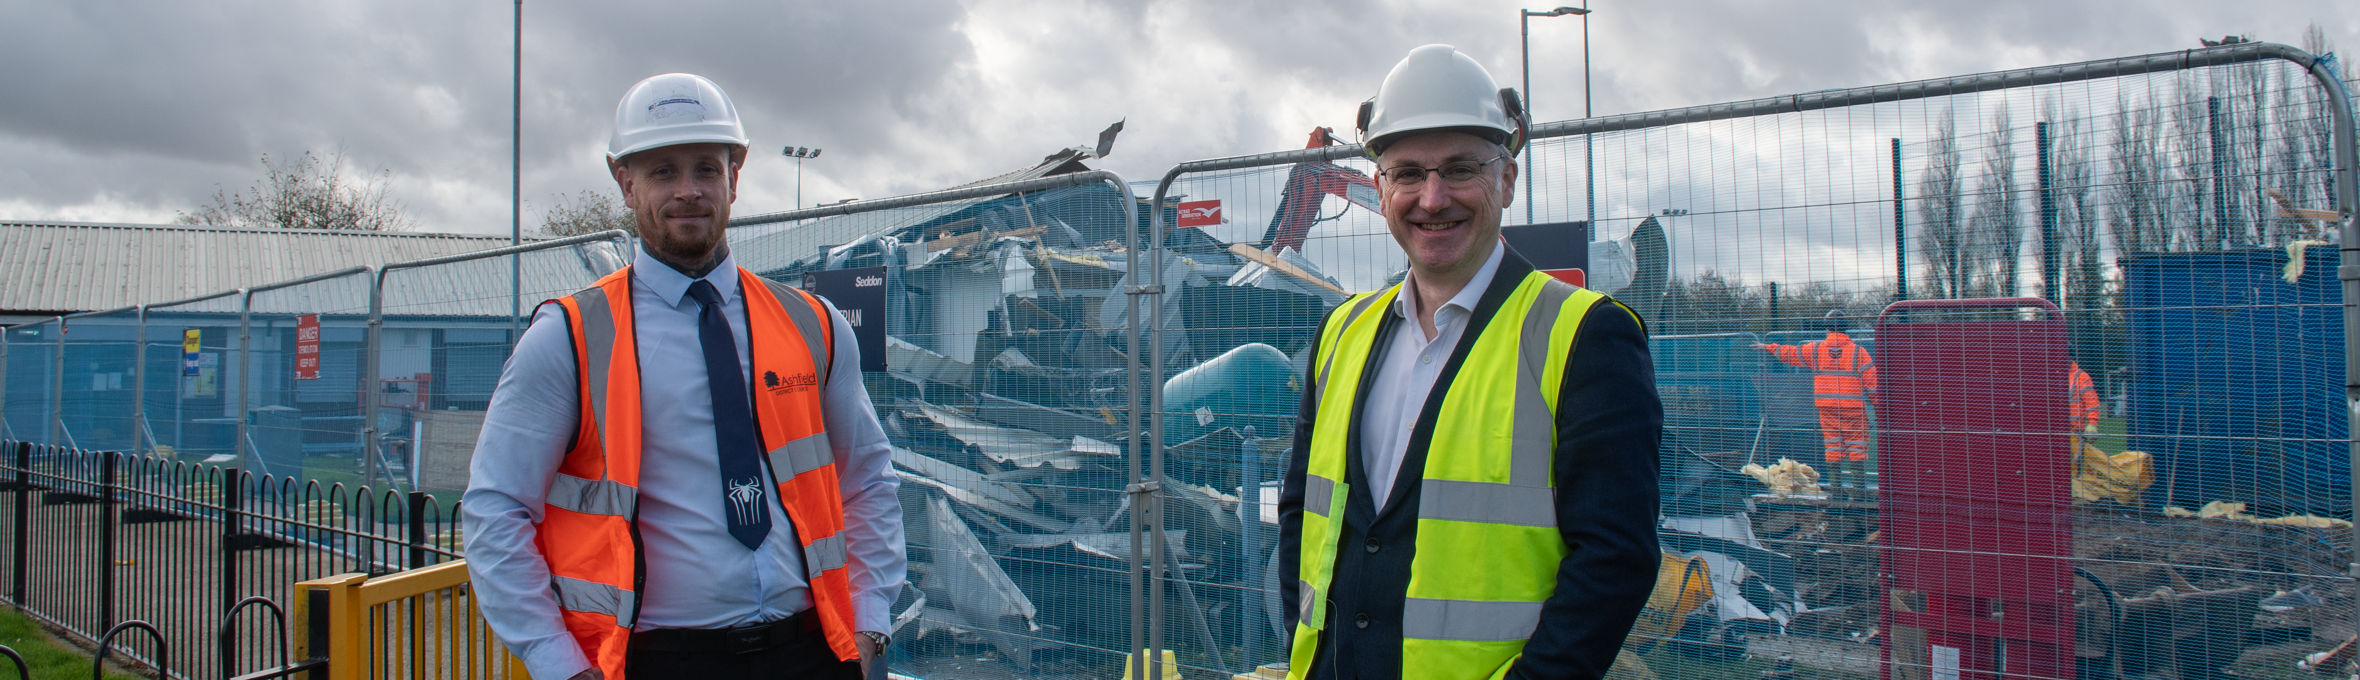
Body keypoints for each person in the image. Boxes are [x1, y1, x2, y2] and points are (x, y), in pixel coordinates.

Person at [463, 73, 903, 680]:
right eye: (663, 171)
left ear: (735, 178)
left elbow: (868, 480)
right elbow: (496, 510)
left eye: (706, 168)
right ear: (625, 183)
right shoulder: (567, 339)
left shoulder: (814, 325)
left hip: (811, 652)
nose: (689, 191)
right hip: (655, 660)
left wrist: (872, 620)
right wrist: (557, 663)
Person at [1277, 45, 1663, 680]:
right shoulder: (1341, 332)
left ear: (1506, 180)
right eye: (1406, 173)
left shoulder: (1585, 336)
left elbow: (1615, 559)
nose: (1431, 199)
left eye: (1459, 170)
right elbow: (1303, 511)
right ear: (1380, 187)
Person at [1753, 310, 1877, 488]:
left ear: (1827, 329)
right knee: (1857, 449)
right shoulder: (1859, 352)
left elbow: (1791, 352)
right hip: (1854, 409)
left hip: (1827, 409)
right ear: (1846, 329)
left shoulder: (1817, 349)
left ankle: (1837, 493)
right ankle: (1859, 493)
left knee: (1833, 449)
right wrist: (1880, 408)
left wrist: (1768, 347)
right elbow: (1872, 384)